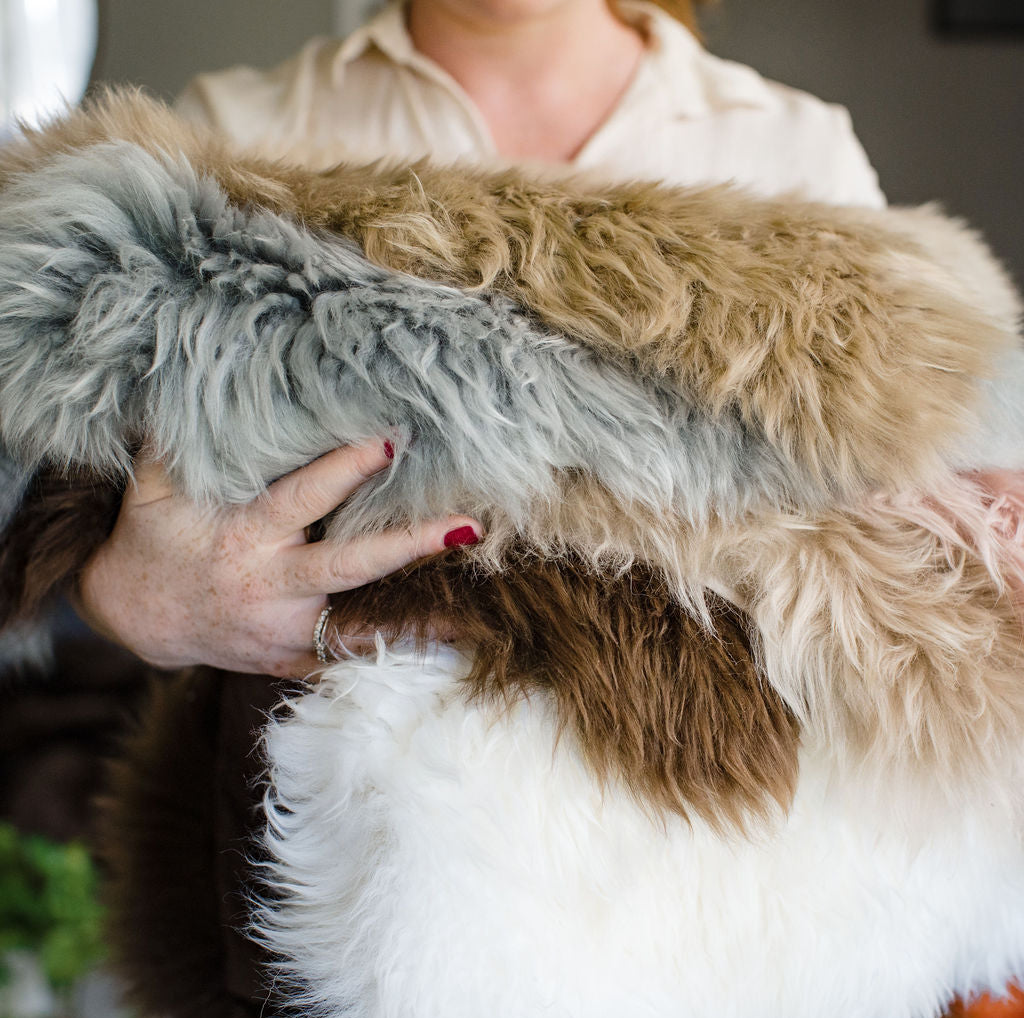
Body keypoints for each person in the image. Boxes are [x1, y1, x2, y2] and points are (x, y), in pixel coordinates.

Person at [77, 0, 885, 679]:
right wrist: (130, 598)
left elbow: (896, 551)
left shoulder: (801, 152)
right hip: (322, 806)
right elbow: (80, 500)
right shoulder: (227, 136)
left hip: (712, 801)